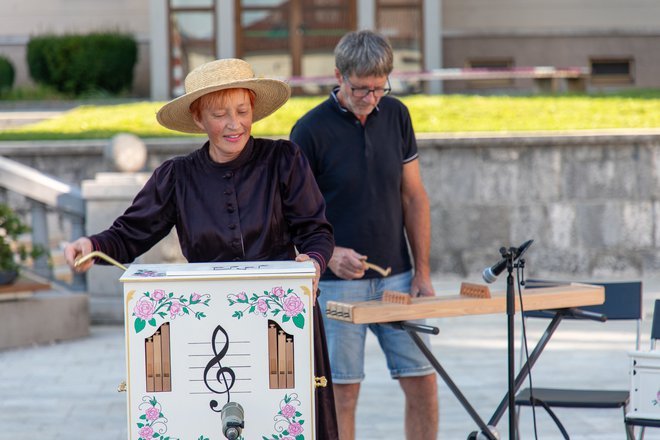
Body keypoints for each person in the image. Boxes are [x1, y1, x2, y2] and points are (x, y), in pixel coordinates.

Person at [64, 58, 338, 440]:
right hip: (206, 330)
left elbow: (316, 231)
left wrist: (313, 262)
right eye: (219, 114)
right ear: (198, 118)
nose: (234, 124)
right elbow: (130, 233)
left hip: (280, 326)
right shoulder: (176, 176)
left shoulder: (284, 160)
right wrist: (91, 245)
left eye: (242, 112)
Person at [290, 30, 438, 440]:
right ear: (338, 75)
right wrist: (331, 254)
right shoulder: (308, 131)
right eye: (360, 89)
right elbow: (293, 216)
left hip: (398, 280)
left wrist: (422, 272)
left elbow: (414, 197)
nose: (370, 98)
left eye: (379, 89)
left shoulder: (397, 115)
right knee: (343, 394)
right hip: (338, 287)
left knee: (423, 382)